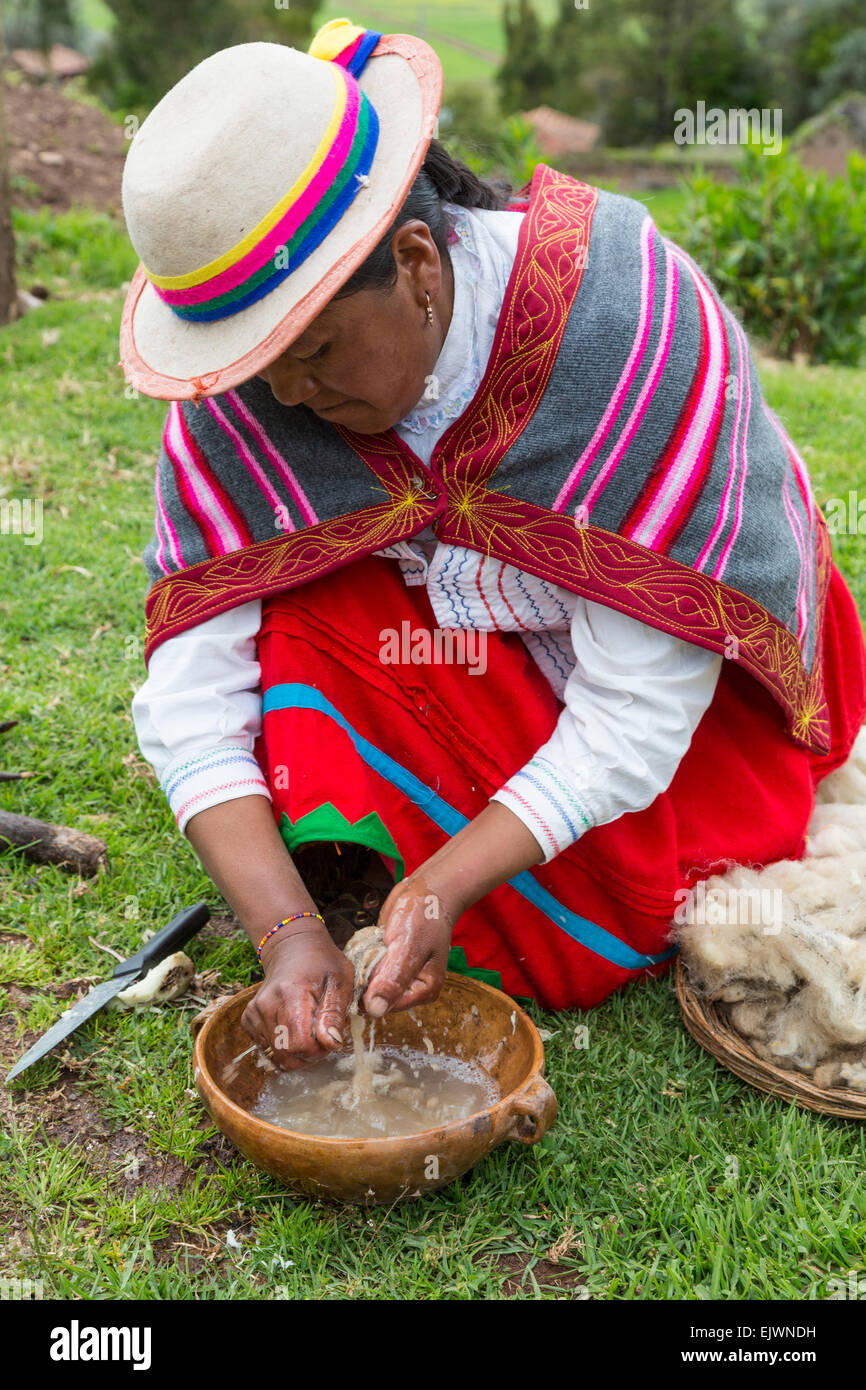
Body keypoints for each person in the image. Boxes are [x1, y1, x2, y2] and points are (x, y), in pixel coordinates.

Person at [121, 19, 866, 1069]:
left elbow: (636, 708)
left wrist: (443, 883)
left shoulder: (629, 328)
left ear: (418, 263)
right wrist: (285, 931)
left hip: (698, 697)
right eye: (255, 368)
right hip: (485, 646)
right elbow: (193, 686)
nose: (287, 393)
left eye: (315, 351)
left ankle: (476, 864)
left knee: (603, 907)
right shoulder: (249, 384)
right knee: (296, 614)